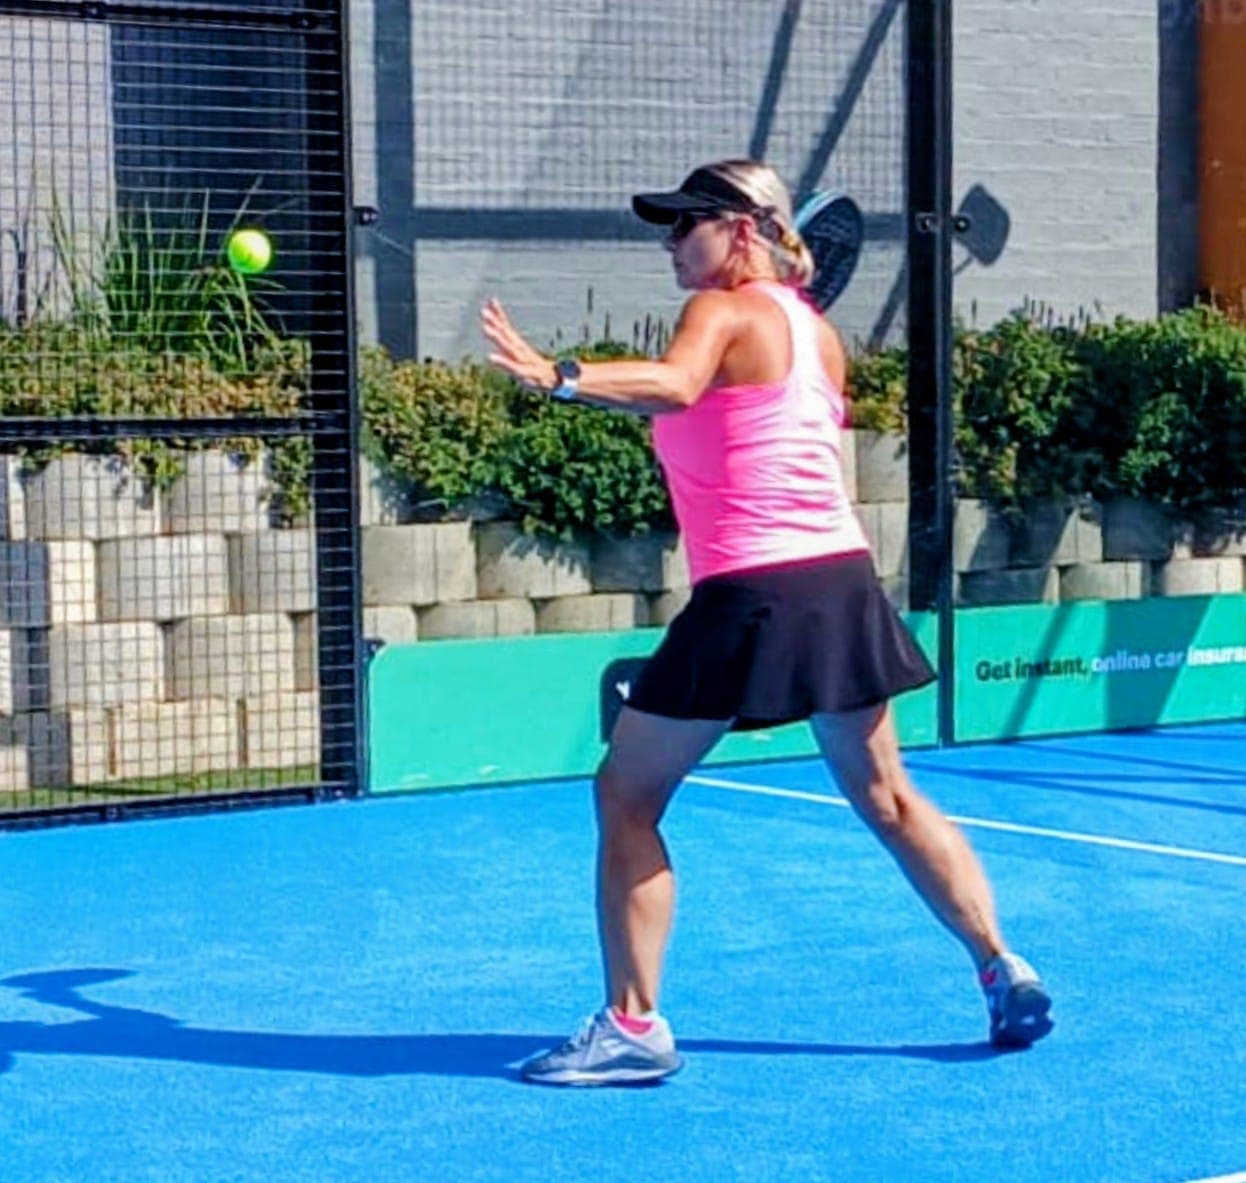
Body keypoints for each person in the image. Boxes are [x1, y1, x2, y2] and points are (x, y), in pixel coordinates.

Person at [479, 159, 1052, 1087]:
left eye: (686, 223)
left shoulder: (722, 309)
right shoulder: (817, 334)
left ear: (742, 229)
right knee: (890, 796)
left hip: (752, 591)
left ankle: (632, 1025)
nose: (672, 242)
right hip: (841, 580)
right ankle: (1001, 963)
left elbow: (674, 384)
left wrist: (560, 375)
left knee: (626, 794)